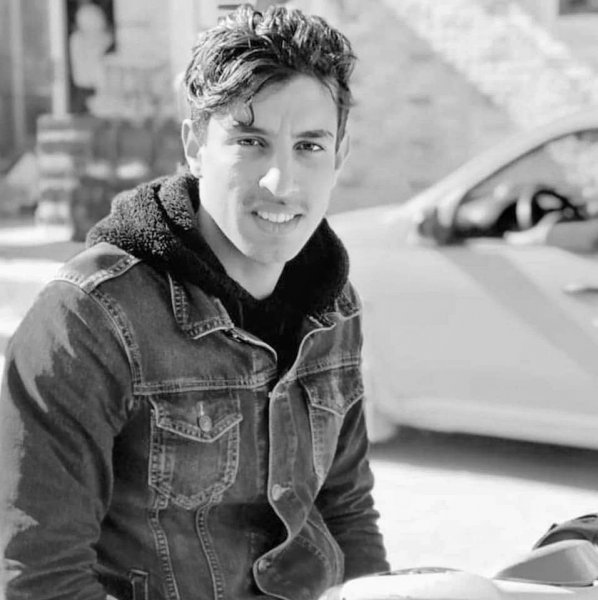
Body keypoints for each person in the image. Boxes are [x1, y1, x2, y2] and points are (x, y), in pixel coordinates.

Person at [0, 4, 389, 600]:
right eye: (251, 141)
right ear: (194, 146)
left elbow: (346, 513)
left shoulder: (334, 305)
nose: (281, 182)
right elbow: (41, 580)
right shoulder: (88, 318)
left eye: (309, 146)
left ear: (338, 156)